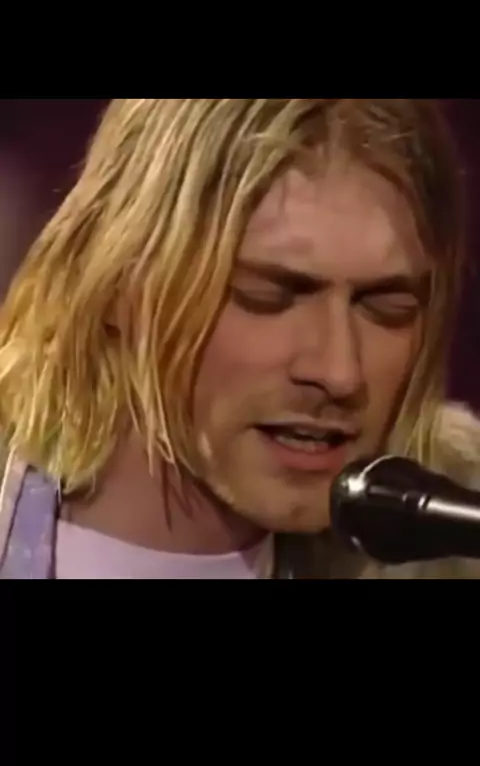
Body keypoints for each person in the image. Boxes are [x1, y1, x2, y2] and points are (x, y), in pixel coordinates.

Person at [0, 98, 478, 579]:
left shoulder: (452, 539)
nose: (339, 372)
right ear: (120, 282)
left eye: (387, 307)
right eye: (269, 295)